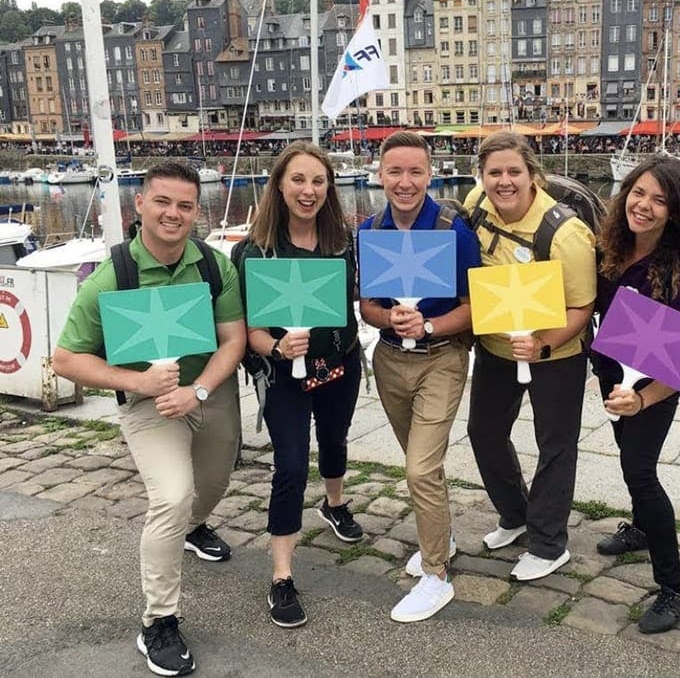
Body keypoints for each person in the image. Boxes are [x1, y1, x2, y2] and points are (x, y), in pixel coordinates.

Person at [53, 162, 246, 677]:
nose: (173, 214)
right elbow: (67, 360)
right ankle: (158, 620)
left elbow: (234, 340)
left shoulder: (212, 264)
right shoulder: (113, 275)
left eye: (185, 205)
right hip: (147, 404)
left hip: (208, 391)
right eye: (163, 202)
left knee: (216, 481)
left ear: (196, 212)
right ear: (139, 204)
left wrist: (198, 390)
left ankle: (195, 527)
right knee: (172, 497)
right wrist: (138, 383)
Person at [591, 156, 680, 634]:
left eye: (659, 200)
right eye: (638, 192)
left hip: (654, 386)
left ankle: (674, 587)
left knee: (640, 471)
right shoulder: (609, 248)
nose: (643, 205)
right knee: (628, 453)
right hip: (612, 376)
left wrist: (643, 399)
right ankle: (644, 529)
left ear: (676, 211)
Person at [231, 141, 363, 629]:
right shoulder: (253, 251)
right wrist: (276, 348)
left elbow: (355, 302)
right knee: (289, 465)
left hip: (339, 364)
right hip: (284, 376)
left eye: (318, 181)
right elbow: (247, 328)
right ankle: (282, 577)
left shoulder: (343, 242)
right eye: (299, 180)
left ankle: (334, 503)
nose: (309, 191)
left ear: (329, 188)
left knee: (334, 440)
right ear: (280, 186)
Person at [358, 132, 481, 622]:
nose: (404, 182)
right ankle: (441, 533)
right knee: (421, 464)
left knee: (419, 470)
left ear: (430, 174)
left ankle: (436, 574)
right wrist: (390, 320)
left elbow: (474, 308)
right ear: (381, 174)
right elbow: (367, 305)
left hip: (442, 357)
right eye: (395, 172)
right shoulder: (371, 228)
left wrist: (428, 324)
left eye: (415, 172)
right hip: (389, 360)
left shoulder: (453, 230)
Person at [463, 130, 596, 581]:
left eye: (514, 172)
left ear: (532, 174)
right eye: (494, 172)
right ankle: (516, 513)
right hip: (498, 346)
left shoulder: (566, 233)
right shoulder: (475, 204)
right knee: (483, 432)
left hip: (555, 352)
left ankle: (548, 542)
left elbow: (582, 307)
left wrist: (542, 343)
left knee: (554, 445)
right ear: (481, 175)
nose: (504, 181)